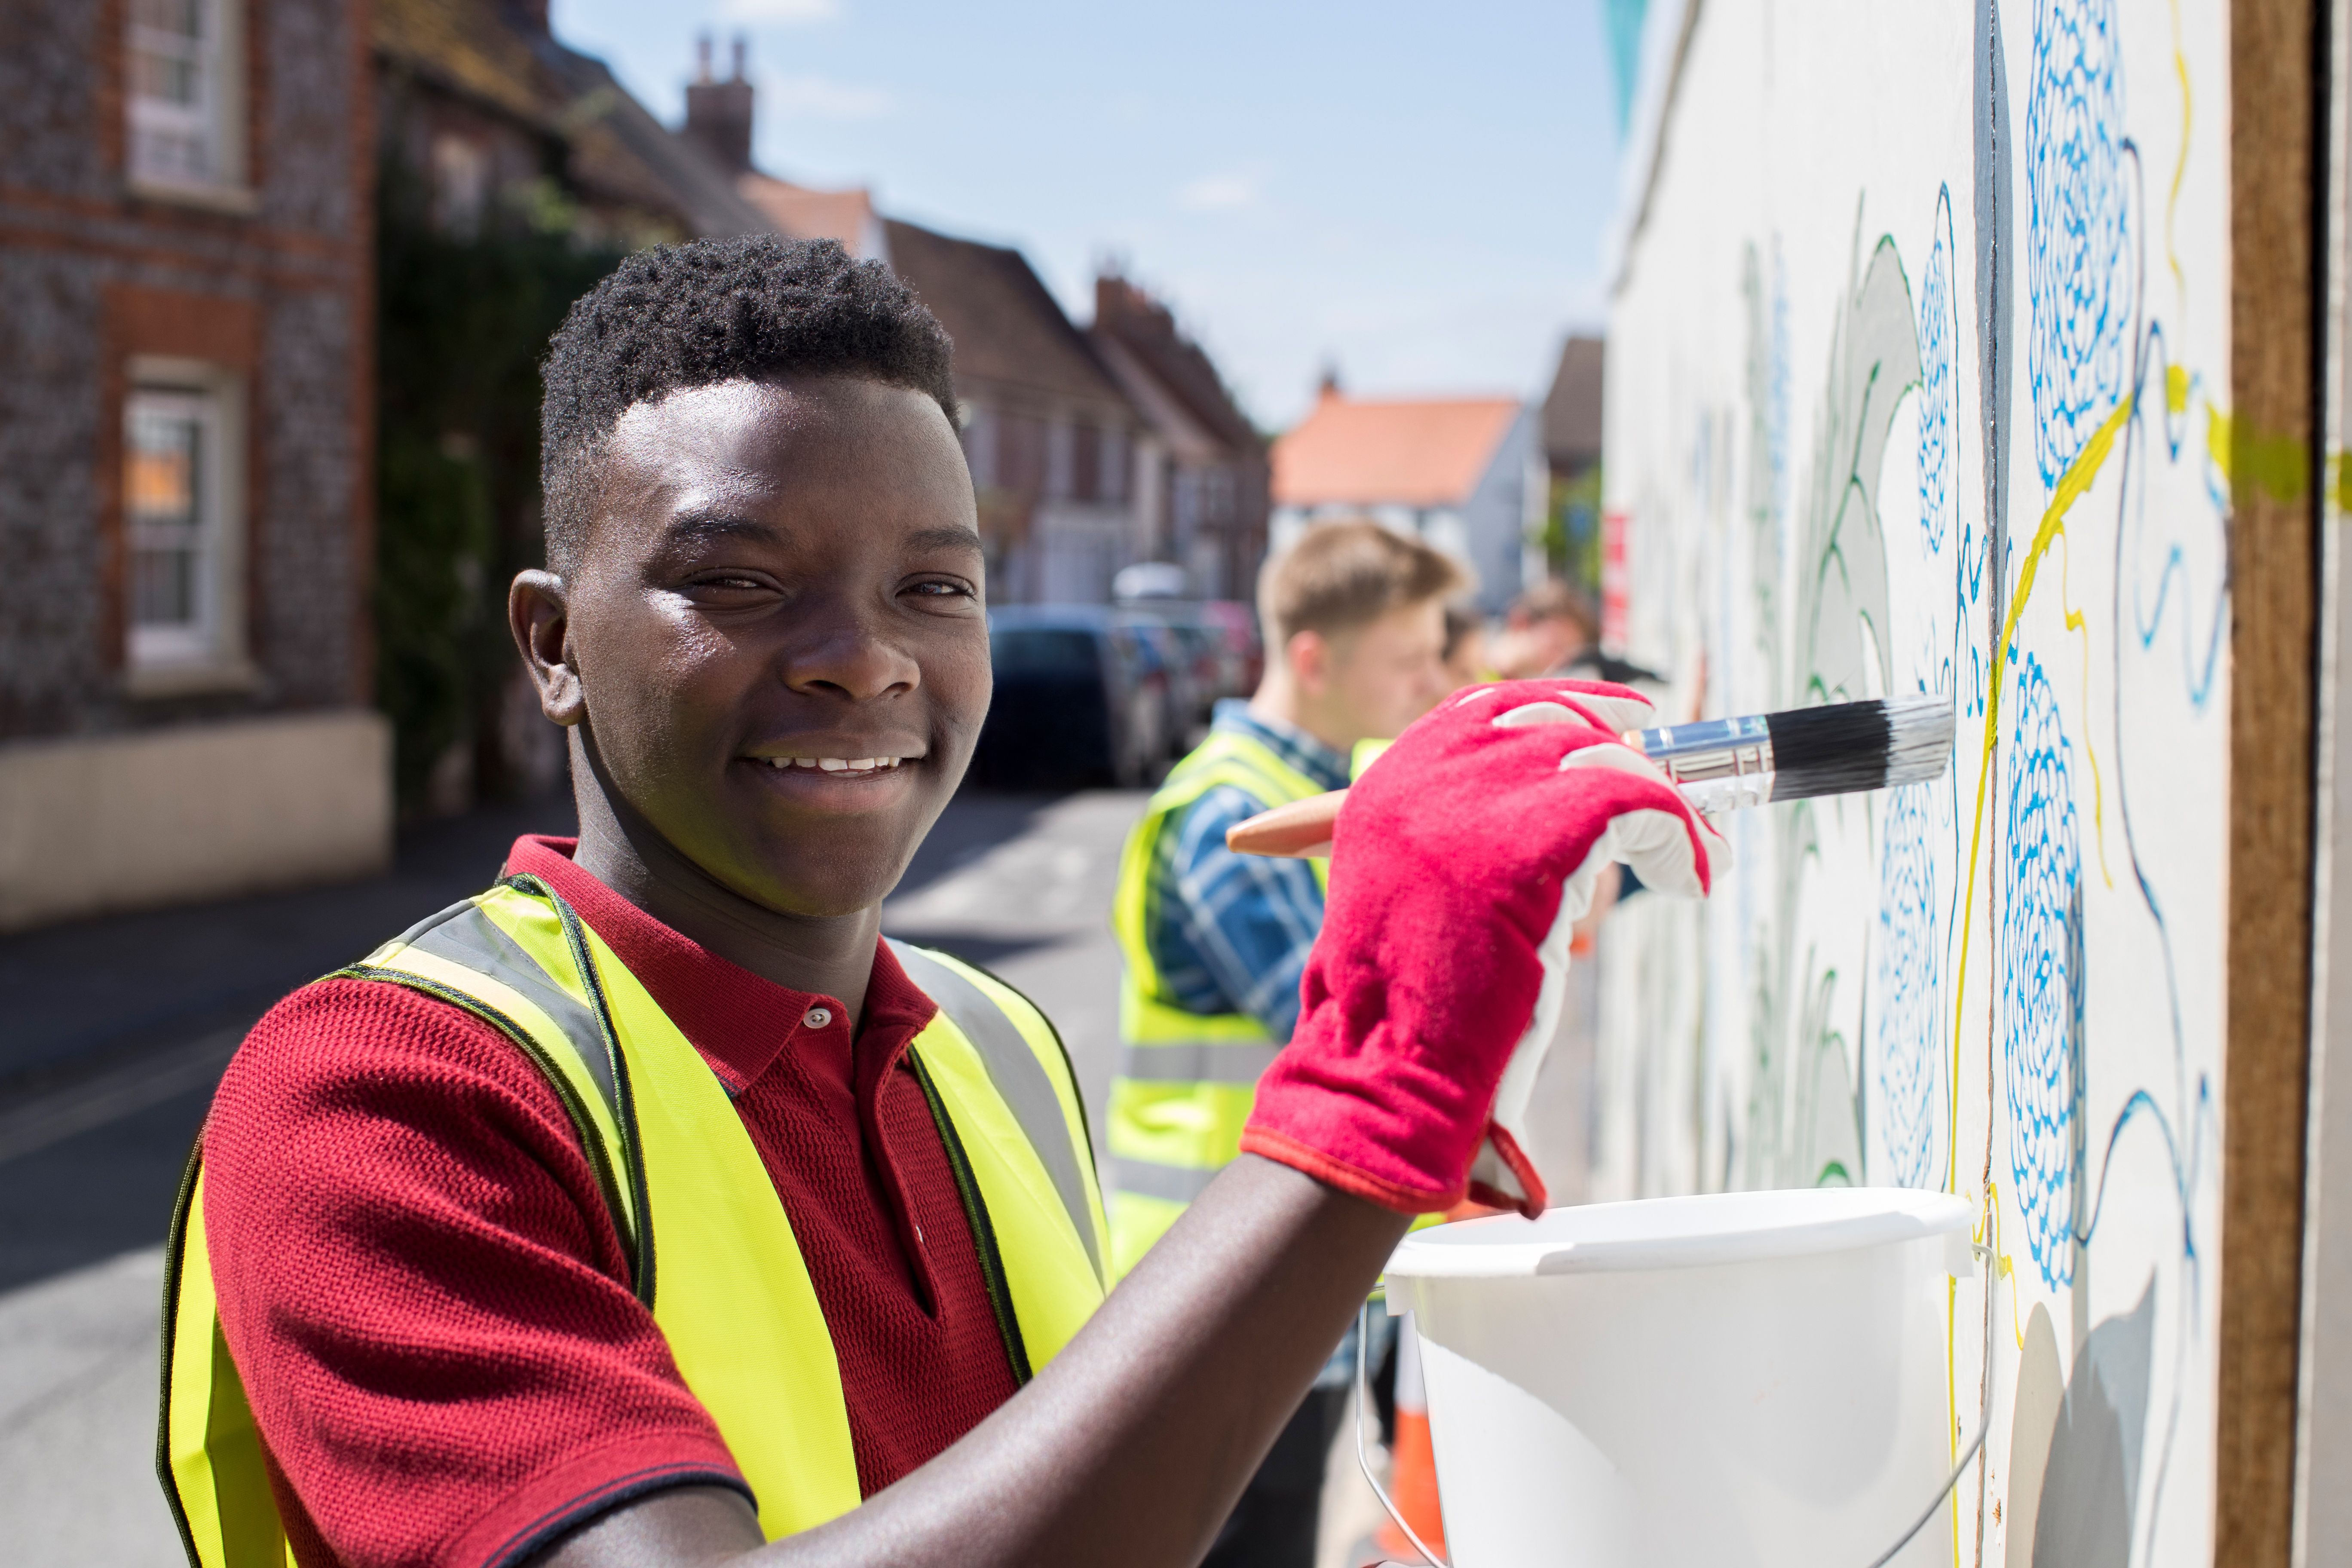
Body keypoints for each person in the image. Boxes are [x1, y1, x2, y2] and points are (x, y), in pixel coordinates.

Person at [158, 236, 1724, 1568]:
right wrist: (1376, 1085)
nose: (866, 654)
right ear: (555, 645)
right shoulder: (384, 1096)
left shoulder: (990, 1043)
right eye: (744, 579)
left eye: (937, 585)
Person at [1104, 521, 1459, 1565]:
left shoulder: (1326, 798)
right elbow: (1367, 1040)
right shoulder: (1234, 815)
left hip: (1278, 1289)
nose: (1431, 681)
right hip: (1215, 1298)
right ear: (1312, 657)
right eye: (1410, 659)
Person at [1488, 579, 1660, 686]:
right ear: (1521, 621)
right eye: (1557, 645)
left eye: (1569, 655)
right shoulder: (1472, 678)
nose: (1559, 661)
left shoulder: (1516, 698)